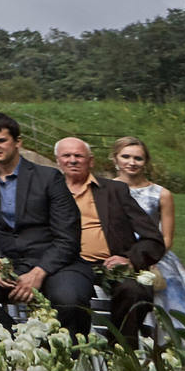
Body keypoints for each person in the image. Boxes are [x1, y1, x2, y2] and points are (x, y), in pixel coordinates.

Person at [0, 112, 92, 334]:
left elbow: (68, 236)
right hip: (12, 264)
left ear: (18, 141)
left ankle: (70, 351)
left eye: (1, 140)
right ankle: (14, 342)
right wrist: (1, 265)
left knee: (69, 298)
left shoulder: (48, 177)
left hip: (57, 264)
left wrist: (38, 272)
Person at [52, 136, 166, 346]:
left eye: (79, 156)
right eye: (66, 155)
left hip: (109, 264)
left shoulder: (114, 191)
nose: (73, 160)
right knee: (69, 296)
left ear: (91, 161)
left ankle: (121, 351)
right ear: (58, 161)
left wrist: (129, 259)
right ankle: (76, 353)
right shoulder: (48, 191)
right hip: (66, 266)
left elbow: (153, 238)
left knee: (134, 291)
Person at [111, 137, 185, 341]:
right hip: (115, 255)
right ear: (115, 159)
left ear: (146, 161)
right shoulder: (105, 189)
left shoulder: (161, 194)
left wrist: (142, 260)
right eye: (125, 156)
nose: (131, 162)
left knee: (171, 306)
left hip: (154, 257)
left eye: (138, 158)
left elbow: (167, 239)